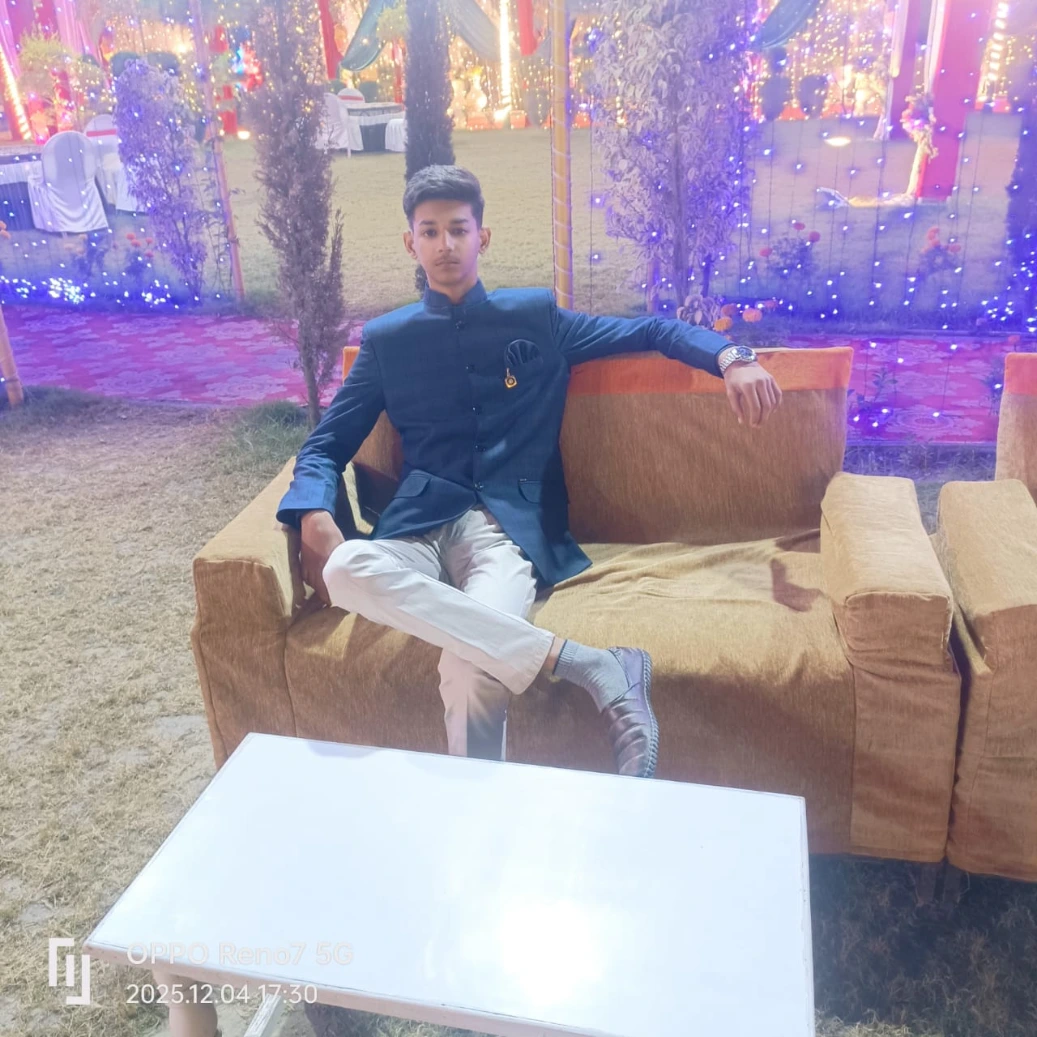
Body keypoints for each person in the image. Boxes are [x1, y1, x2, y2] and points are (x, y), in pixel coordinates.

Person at [276, 165, 782, 779]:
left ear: (482, 237)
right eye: (430, 232)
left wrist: (732, 355)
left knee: (472, 668)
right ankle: (593, 665)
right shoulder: (389, 340)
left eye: (458, 229)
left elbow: (650, 329)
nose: (445, 244)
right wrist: (313, 511)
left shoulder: (536, 318)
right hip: (416, 531)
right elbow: (326, 444)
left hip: (504, 531)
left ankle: (478, 811)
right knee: (346, 566)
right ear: (411, 243)